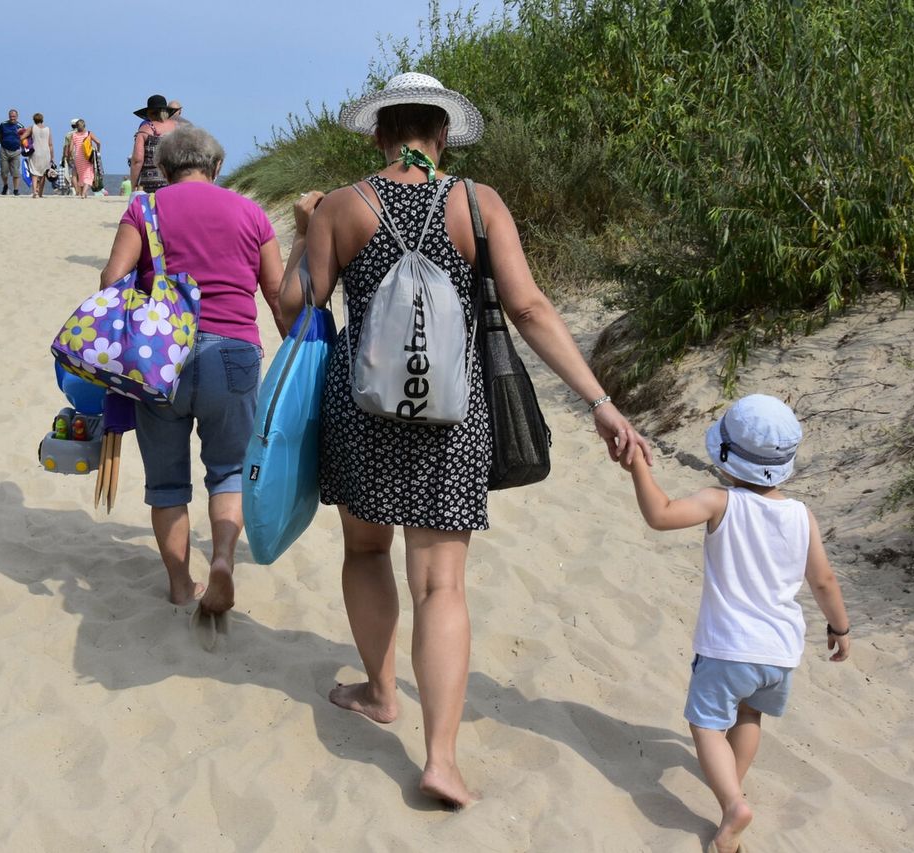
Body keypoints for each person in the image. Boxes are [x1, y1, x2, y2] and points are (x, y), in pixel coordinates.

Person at [280, 72, 653, 809]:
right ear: (441, 133)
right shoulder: (479, 203)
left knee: (364, 550)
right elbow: (531, 307)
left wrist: (302, 228)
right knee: (442, 584)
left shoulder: (345, 206)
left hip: (364, 410)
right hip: (455, 413)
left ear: (382, 132)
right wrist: (600, 401)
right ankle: (441, 758)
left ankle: (382, 690)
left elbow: (297, 308)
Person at [621, 394, 851, 853]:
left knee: (705, 725)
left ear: (725, 456)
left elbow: (660, 515)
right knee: (750, 714)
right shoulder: (801, 515)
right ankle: (734, 789)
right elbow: (823, 581)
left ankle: (731, 804)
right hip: (780, 653)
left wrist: (638, 470)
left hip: (727, 648)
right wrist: (840, 629)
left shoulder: (719, 501)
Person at [99, 125, 287, 616]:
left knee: (167, 483)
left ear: (161, 168)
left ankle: (182, 586)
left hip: (162, 360)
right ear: (217, 168)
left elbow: (111, 279)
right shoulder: (252, 213)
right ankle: (222, 558)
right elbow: (277, 294)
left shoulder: (145, 209)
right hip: (234, 354)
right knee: (228, 472)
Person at [128, 94, 182, 193]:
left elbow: (137, 161)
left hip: (150, 183)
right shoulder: (178, 129)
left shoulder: (145, 129)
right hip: (174, 181)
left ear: (149, 113)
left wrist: (133, 185)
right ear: (166, 112)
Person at [21, 113, 53, 198]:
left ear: (34, 120)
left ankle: (35, 191)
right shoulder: (48, 129)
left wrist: (25, 144)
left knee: (34, 173)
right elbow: (50, 144)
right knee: (43, 173)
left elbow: (22, 138)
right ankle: (40, 193)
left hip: (35, 152)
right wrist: (52, 156)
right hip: (46, 153)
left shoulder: (32, 128)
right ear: (42, 119)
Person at [68, 119, 101, 198]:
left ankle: (83, 193)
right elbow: (98, 142)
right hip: (87, 156)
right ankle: (83, 193)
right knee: (89, 175)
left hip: (78, 158)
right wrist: (98, 151)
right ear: (84, 126)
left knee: (81, 175)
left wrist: (71, 157)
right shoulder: (88, 134)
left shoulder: (74, 135)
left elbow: (71, 148)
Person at [0, 108, 25, 195]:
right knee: (4, 171)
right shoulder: (3, 124)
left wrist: (23, 149)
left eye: (14, 116)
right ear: (9, 116)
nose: (12, 118)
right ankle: (5, 186)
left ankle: (16, 190)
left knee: (16, 172)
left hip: (16, 151)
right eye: (11, 116)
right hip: (4, 150)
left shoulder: (21, 126)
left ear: (17, 116)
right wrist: (4, 143)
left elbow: (24, 139)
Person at [61, 118, 79, 187]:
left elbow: (66, 147)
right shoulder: (83, 133)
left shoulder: (68, 134)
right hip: (81, 156)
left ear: (72, 126)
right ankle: (80, 190)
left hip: (71, 156)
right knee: (79, 173)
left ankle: (76, 189)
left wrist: (65, 157)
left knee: (73, 174)